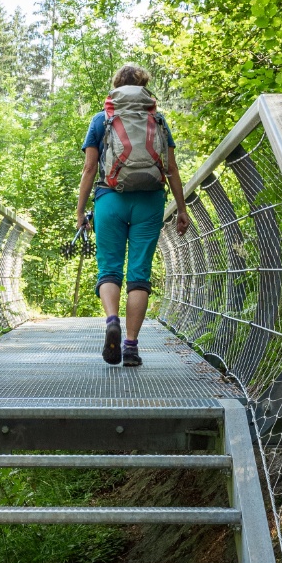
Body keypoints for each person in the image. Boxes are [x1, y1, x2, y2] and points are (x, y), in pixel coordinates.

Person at [76, 64, 190, 367]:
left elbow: (89, 169)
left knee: (109, 269)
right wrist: (181, 208)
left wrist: (79, 212)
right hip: (150, 201)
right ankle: (130, 346)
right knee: (139, 273)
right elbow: (171, 169)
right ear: (144, 87)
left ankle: (112, 319)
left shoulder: (102, 119)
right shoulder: (158, 120)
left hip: (110, 199)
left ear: (115, 86)